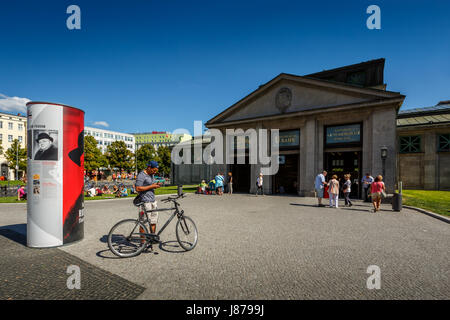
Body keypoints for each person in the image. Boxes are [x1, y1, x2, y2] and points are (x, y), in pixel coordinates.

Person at [135, 161, 163, 237]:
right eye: (154, 170)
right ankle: (142, 243)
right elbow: (137, 188)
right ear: (149, 167)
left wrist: (156, 184)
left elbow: (150, 185)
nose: (154, 172)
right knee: (144, 223)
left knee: (153, 221)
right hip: (145, 202)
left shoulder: (151, 175)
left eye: (156, 171)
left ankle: (152, 238)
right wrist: (152, 186)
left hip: (153, 201)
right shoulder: (141, 175)